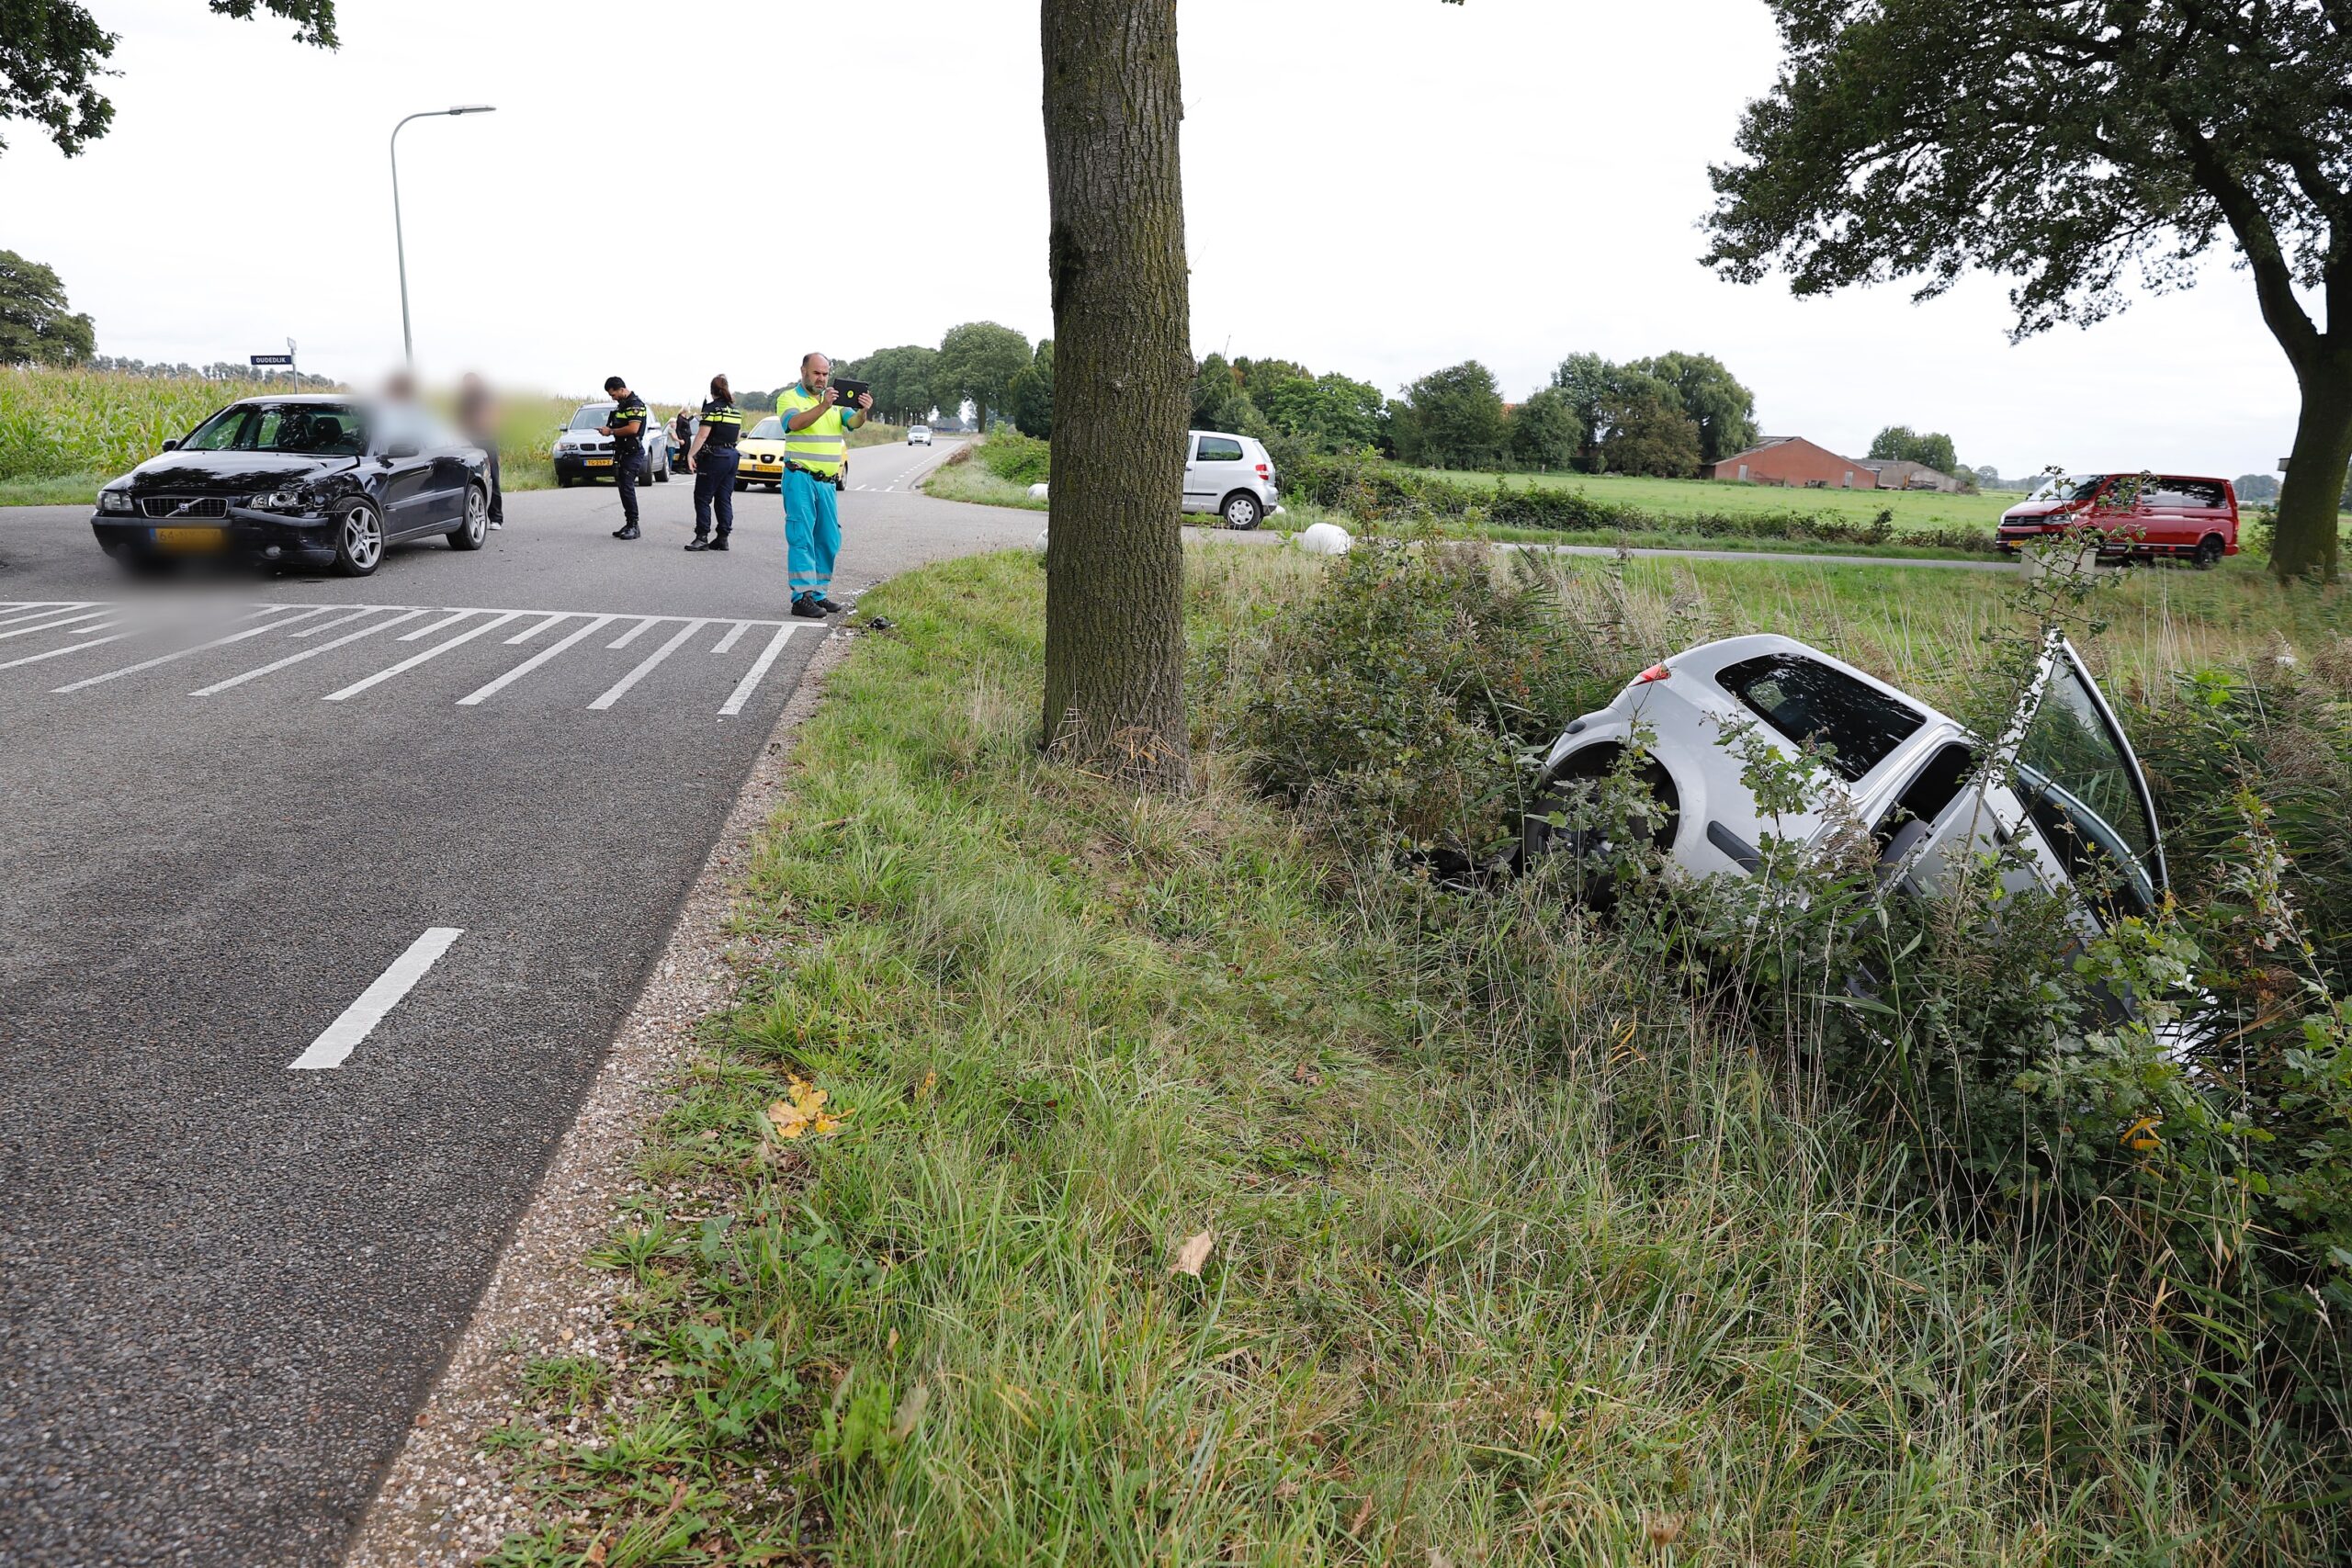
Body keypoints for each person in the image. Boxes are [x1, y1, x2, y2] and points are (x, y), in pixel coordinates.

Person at [775, 352, 869, 616]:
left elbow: (853, 423)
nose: (821, 378)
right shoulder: (789, 398)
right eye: (817, 373)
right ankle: (801, 597)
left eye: (825, 374)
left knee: (828, 539)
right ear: (803, 371)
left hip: (827, 483)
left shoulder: (836, 401)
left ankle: (818, 593)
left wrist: (863, 410)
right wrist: (823, 406)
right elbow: (793, 424)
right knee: (801, 536)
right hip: (800, 478)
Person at [684, 374, 743, 551]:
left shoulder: (711, 409)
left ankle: (702, 537)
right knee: (724, 497)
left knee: (702, 497)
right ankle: (722, 538)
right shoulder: (735, 411)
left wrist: (690, 455)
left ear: (712, 391)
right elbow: (737, 436)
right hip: (732, 455)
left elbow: (702, 435)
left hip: (715, 457)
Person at [600, 375, 650, 539]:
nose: (613, 398)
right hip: (623, 452)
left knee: (627, 487)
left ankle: (634, 526)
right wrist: (608, 429)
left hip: (632, 453)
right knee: (623, 487)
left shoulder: (635, 404)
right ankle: (629, 523)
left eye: (613, 394)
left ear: (621, 389)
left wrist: (611, 431)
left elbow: (633, 428)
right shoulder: (622, 405)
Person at [458, 371, 503, 529]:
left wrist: (486, 423)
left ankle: (496, 517)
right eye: (465, 383)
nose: (467, 386)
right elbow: (458, 419)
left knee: (492, 477)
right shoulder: (462, 400)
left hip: (486, 440)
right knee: (470, 478)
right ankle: (472, 514)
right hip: (469, 441)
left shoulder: (486, 396)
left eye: (469, 382)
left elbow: (494, 416)